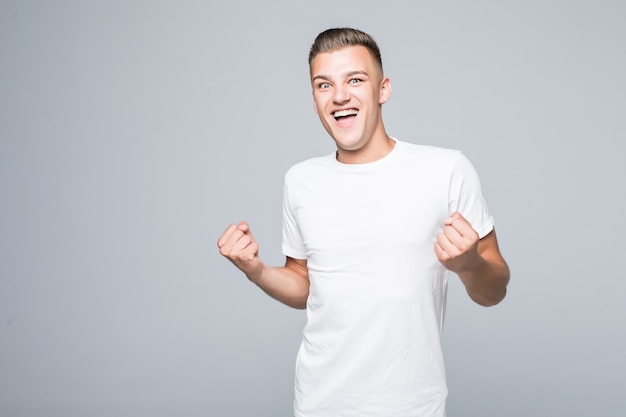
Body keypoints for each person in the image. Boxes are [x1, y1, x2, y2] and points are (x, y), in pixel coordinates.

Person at [217, 27, 510, 417]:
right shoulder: (300, 181)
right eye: (324, 84)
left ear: (383, 89)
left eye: (355, 79)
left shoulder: (446, 169)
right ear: (315, 98)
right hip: (319, 403)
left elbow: (494, 291)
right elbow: (305, 286)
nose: (339, 95)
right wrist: (255, 270)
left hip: (413, 405)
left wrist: (470, 264)